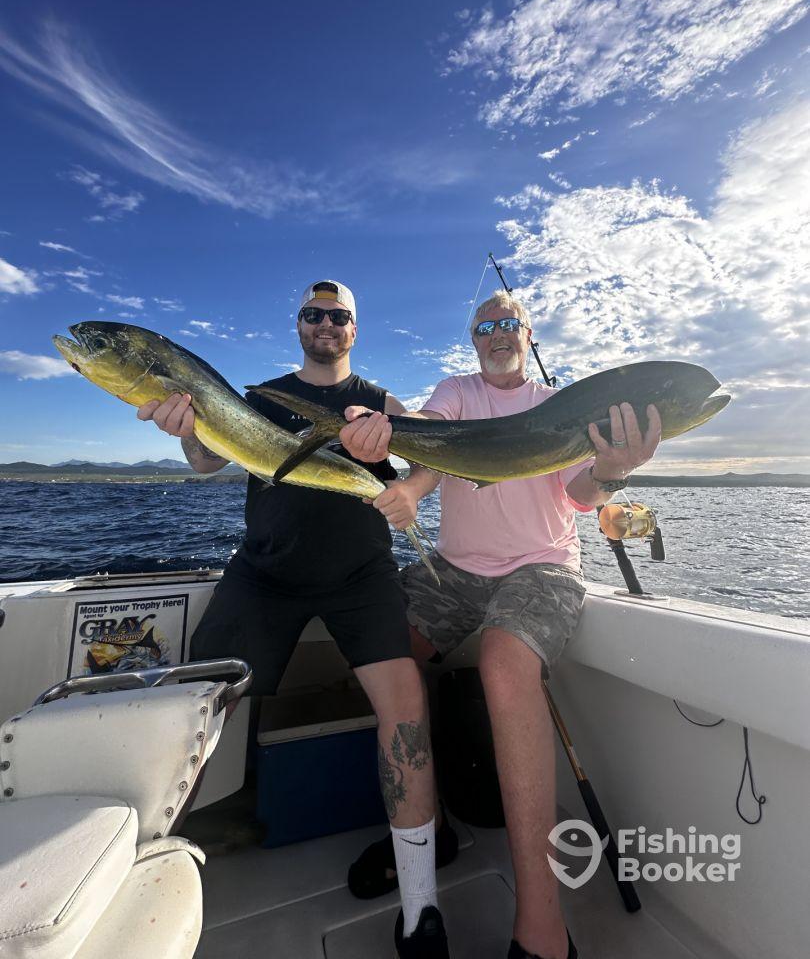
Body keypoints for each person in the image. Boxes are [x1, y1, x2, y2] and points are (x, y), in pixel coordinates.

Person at [339, 289, 662, 959]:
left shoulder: (557, 404)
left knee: (504, 664)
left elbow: (578, 496)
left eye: (507, 322)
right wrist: (393, 438)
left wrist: (611, 470)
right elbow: (433, 435)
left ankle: (543, 929)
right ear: (473, 339)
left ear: (528, 332)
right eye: (484, 326)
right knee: (378, 651)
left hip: (540, 567)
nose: (496, 333)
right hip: (454, 571)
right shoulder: (457, 391)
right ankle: (426, 826)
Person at [136, 280, 451, 958]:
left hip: (361, 576)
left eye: (339, 315)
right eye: (314, 314)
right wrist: (184, 430)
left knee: (406, 708)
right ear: (299, 325)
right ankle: (142, 879)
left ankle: (422, 909)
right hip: (266, 572)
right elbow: (207, 457)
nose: (327, 323)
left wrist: (408, 493)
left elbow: (431, 458)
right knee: (186, 706)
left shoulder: (382, 400)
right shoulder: (258, 396)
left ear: (355, 330)